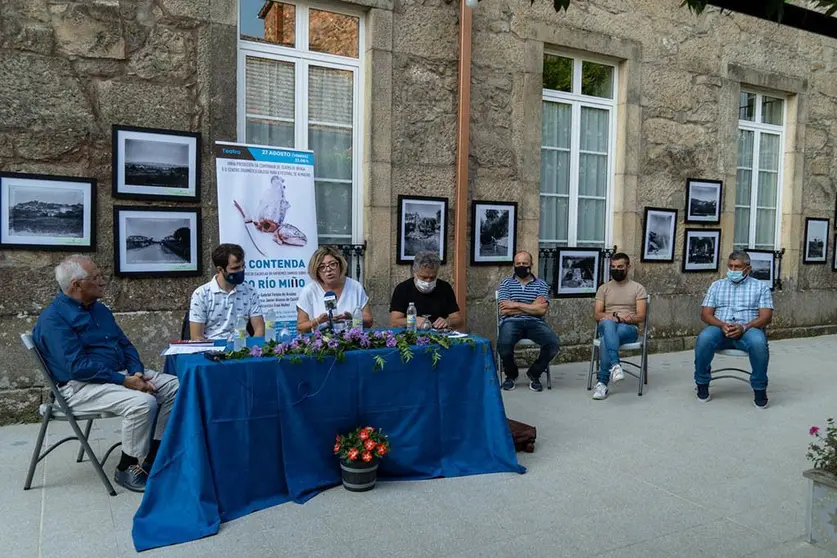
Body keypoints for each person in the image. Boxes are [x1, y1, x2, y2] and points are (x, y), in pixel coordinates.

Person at [33, 255, 179, 493]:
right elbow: (76, 367)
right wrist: (124, 381)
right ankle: (126, 467)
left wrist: (136, 372)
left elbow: (125, 344)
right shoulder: (54, 319)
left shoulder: (99, 309)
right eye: (97, 277)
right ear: (76, 285)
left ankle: (153, 456)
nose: (103, 282)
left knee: (176, 386)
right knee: (143, 403)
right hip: (79, 386)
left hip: (118, 373)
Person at [694, 250, 773, 408]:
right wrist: (722, 324)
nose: (733, 270)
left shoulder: (760, 287)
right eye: (730, 266)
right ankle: (702, 382)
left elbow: (766, 317)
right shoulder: (717, 286)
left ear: (748, 269)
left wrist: (744, 327)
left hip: (748, 329)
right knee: (704, 338)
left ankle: (759, 387)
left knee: (759, 342)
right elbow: (705, 314)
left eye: (737, 267)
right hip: (720, 328)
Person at [497, 251, 559, 393]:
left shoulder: (541, 284)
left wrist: (516, 304)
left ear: (531, 264)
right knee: (504, 345)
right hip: (511, 322)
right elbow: (504, 310)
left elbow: (541, 311)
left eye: (524, 263)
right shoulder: (506, 283)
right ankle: (511, 375)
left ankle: (534, 373)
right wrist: (532, 306)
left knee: (553, 343)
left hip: (535, 323)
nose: (521, 266)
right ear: (514, 265)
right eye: (518, 263)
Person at [591, 253, 648, 400]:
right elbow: (597, 314)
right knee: (608, 323)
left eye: (620, 267)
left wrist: (624, 318)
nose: (616, 270)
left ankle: (602, 383)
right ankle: (615, 365)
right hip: (607, 324)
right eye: (613, 267)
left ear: (628, 267)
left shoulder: (638, 288)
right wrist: (611, 317)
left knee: (606, 340)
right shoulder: (603, 288)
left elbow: (641, 316)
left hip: (628, 328)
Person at [189, 243, 265, 341]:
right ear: (220, 270)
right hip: (213, 348)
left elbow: (259, 329)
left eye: (243, 266)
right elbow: (196, 337)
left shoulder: (250, 291)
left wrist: (253, 348)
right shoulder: (201, 294)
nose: (241, 270)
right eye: (235, 268)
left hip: (243, 347)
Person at [297, 246, 372, 333]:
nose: (328, 270)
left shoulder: (355, 287)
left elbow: (369, 322)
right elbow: (301, 327)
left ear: (340, 265)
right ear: (316, 271)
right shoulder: (309, 291)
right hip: (321, 344)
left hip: (353, 343)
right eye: (322, 267)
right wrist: (318, 321)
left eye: (332, 264)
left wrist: (353, 319)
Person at [389, 251, 464, 330]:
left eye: (432, 277)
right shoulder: (402, 289)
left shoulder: (445, 288)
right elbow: (394, 322)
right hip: (412, 334)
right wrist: (411, 321)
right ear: (415, 272)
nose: (428, 281)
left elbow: (458, 320)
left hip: (439, 334)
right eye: (424, 277)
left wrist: (448, 322)